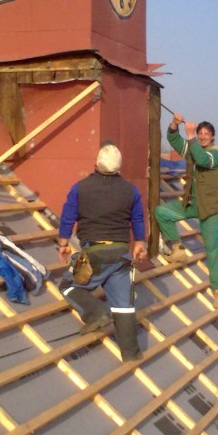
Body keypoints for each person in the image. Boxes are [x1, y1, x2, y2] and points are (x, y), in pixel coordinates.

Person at [58, 141, 148, 361]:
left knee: (69, 286)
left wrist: (63, 243)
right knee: (123, 305)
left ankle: (96, 314)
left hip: (92, 254)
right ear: (119, 167)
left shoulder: (80, 188)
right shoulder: (130, 190)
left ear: (96, 164)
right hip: (120, 253)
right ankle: (131, 354)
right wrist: (139, 242)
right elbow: (138, 217)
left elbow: (68, 216)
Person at [155, 113, 218, 309]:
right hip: (193, 204)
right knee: (162, 212)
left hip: (211, 209)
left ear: (212, 137)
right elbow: (174, 140)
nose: (202, 136)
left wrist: (191, 136)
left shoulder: (215, 154)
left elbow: (202, 160)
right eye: (200, 133)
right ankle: (178, 250)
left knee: (213, 251)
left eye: (206, 134)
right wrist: (174, 125)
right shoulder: (194, 149)